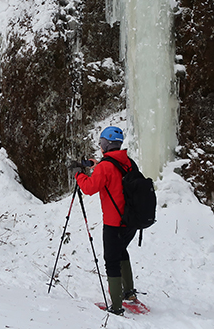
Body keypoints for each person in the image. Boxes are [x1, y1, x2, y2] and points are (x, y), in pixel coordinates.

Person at [74, 126, 138, 315]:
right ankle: (129, 293)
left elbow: (89, 188)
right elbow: (113, 172)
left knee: (111, 260)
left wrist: (79, 174)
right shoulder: (128, 162)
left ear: (106, 144)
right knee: (121, 251)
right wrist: (95, 165)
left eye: (101, 143)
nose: (100, 146)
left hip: (113, 223)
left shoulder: (105, 167)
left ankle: (117, 306)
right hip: (131, 221)